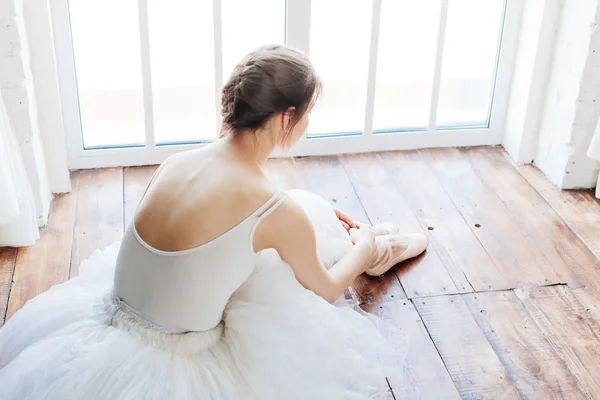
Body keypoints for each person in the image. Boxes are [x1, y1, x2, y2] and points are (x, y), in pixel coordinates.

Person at [0, 45, 428, 399]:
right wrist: (365, 245)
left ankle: (381, 240)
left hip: (110, 320)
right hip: (173, 363)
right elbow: (328, 288)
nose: (307, 123)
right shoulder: (273, 208)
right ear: (285, 117)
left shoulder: (177, 162)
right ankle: (382, 245)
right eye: (307, 113)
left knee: (299, 219)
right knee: (316, 240)